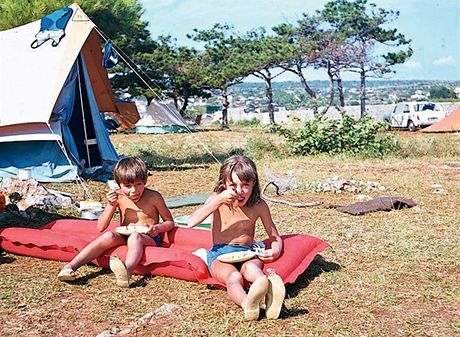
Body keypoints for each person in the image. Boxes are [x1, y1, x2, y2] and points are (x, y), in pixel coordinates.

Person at [187, 155, 285, 320]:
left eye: (245, 185)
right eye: (233, 185)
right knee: (233, 277)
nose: (239, 191)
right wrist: (217, 200)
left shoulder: (258, 205)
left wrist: (275, 250)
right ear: (223, 184)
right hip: (219, 254)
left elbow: (275, 237)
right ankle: (248, 304)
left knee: (252, 270)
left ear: (254, 183)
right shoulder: (216, 200)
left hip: (248, 251)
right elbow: (191, 222)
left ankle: (269, 294)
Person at [58, 156, 174, 287]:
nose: (134, 190)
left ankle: (127, 272)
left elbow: (170, 222)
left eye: (139, 184)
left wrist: (157, 228)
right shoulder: (118, 197)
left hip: (149, 237)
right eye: (128, 186)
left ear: (145, 181)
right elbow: (101, 227)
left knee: (135, 237)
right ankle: (70, 266)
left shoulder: (154, 197)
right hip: (124, 235)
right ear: (119, 184)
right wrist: (111, 205)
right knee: (108, 235)